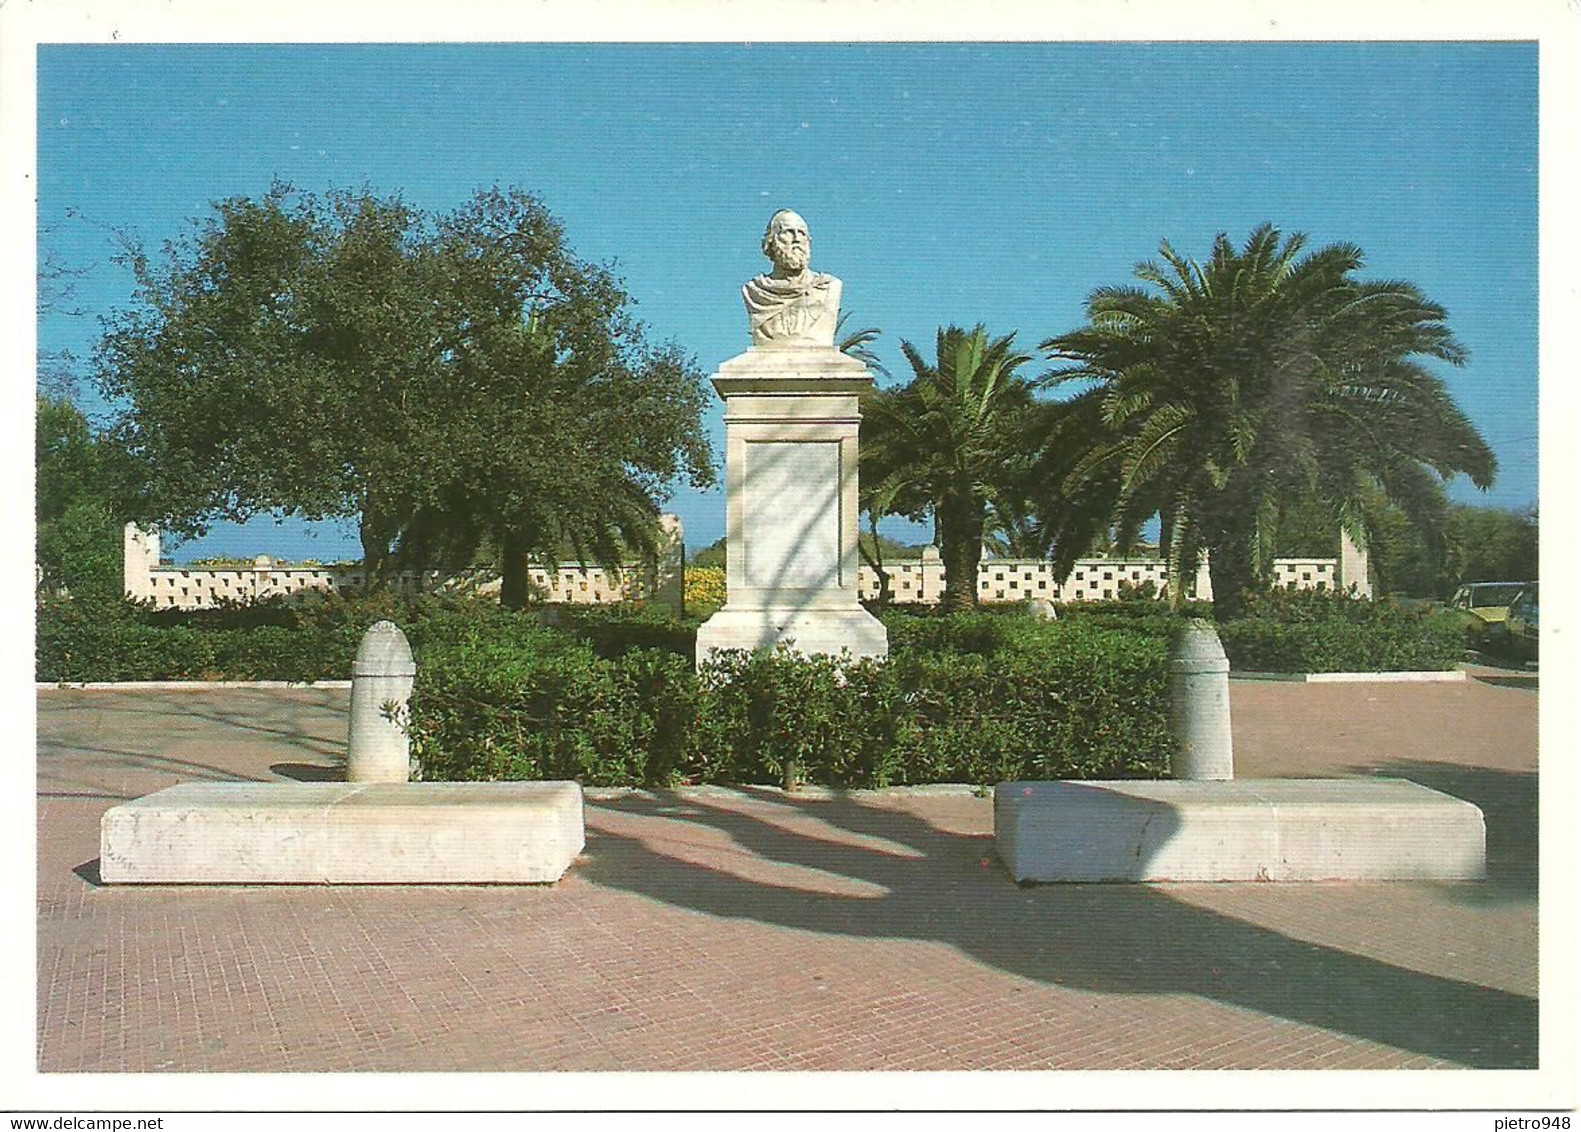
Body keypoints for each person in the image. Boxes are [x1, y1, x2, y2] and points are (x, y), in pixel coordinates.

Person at [741, 209, 842, 347]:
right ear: (771, 241)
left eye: (802, 233)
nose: (797, 239)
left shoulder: (828, 286)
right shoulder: (756, 291)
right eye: (788, 232)